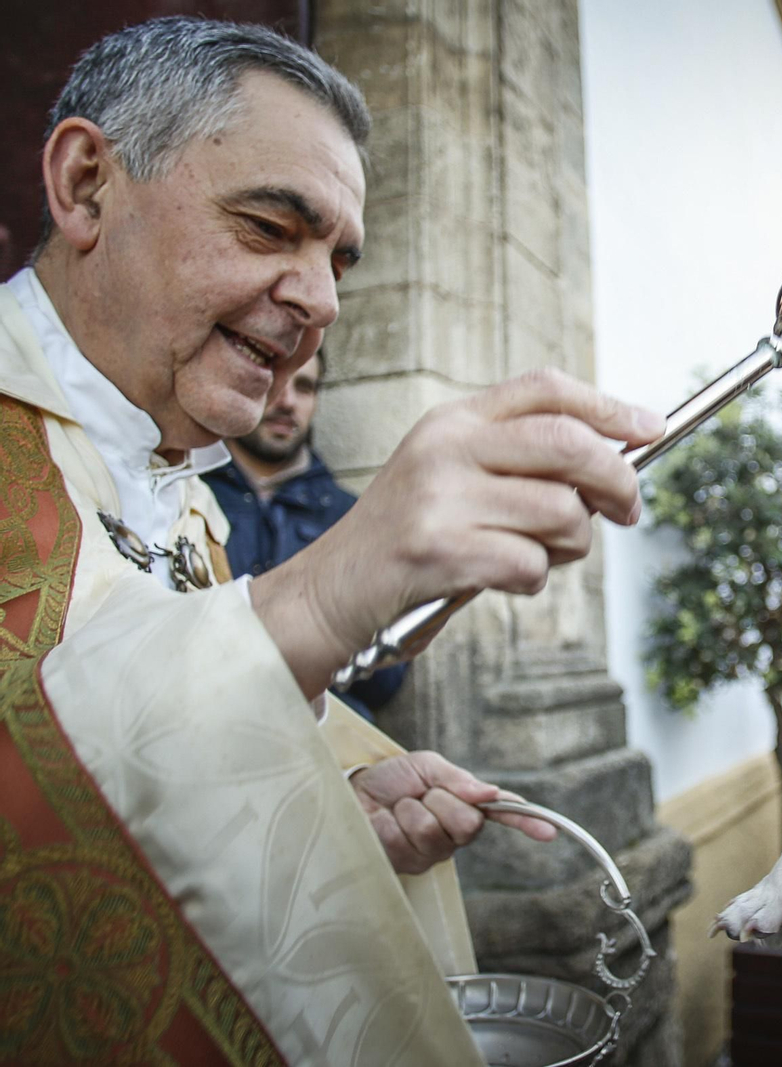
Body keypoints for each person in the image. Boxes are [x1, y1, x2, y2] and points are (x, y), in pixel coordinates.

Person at [1, 17, 664, 1063]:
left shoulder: (188, 498)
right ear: (87, 185)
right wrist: (317, 594)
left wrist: (317, 800)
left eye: (339, 260)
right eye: (270, 227)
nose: (322, 302)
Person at [203, 346, 407, 719]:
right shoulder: (190, 496)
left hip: (323, 734)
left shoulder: (352, 517)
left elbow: (385, 678)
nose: (287, 402)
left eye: (305, 387)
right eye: (273, 383)